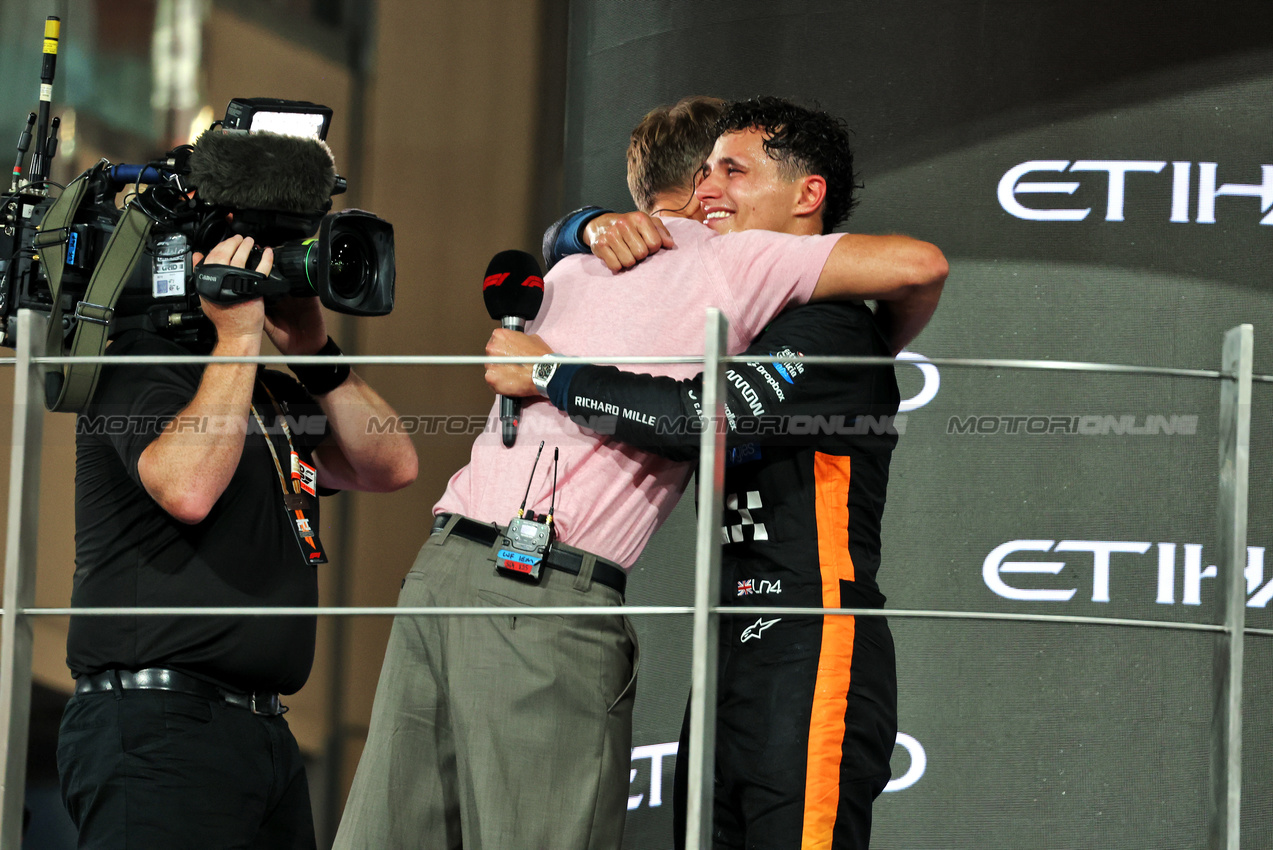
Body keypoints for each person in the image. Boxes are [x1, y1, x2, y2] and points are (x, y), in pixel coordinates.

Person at [333, 97, 944, 850]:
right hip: (723, 646)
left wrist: (555, 368)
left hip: (810, 636)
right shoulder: (653, 270)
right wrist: (585, 225)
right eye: (704, 171)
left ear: (806, 196)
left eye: (732, 170)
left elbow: (698, 417)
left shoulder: (804, 306)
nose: (709, 188)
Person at [58, 233, 418, 850]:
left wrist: (313, 349)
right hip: (156, 729)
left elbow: (389, 466)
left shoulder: (268, 390)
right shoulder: (135, 363)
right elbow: (188, 489)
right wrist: (236, 337)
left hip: (264, 732)